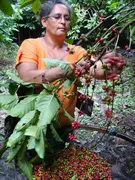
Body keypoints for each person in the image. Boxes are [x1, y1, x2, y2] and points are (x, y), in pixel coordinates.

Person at [15, 0, 123, 129]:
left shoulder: (76, 51)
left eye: (66, 18)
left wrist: (108, 66)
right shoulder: (31, 45)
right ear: (44, 21)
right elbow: (26, 77)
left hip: (64, 126)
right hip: (32, 126)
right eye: (57, 17)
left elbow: (95, 69)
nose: (63, 21)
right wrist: (65, 71)